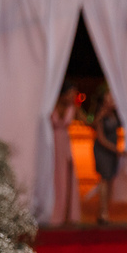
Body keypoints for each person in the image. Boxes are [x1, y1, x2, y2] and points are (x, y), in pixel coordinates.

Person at [50, 86, 80, 225]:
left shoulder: (73, 108)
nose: (72, 97)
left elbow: (88, 122)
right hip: (52, 144)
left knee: (66, 177)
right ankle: (54, 211)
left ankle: (67, 213)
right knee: (54, 177)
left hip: (65, 145)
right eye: (70, 94)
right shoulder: (50, 106)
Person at [92, 89, 121, 225]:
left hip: (112, 151)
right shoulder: (101, 114)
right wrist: (115, 149)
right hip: (103, 151)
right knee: (104, 179)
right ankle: (102, 212)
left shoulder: (115, 114)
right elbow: (101, 138)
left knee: (110, 180)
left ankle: (105, 211)